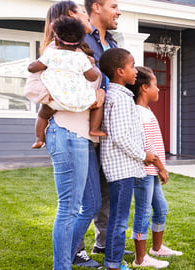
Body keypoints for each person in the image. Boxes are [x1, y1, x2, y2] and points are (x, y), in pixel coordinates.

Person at [28, 1, 105, 269]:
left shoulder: (80, 50)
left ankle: (69, 255)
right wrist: (69, 100)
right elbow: (34, 89)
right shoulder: (54, 51)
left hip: (85, 135)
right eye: (83, 12)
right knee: (69, 208)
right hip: (67, 131)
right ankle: (62, 265)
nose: (87, 16)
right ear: (71, 16)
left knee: (91, 203)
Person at [99, 48, 160, 270]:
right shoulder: (121, 99)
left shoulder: (119, 95)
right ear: (119, 71)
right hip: (121, 168)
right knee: (120, 220)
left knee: (118, 218)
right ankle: (113, 263)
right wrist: (144, 155)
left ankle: (112, 260)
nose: (135, 71)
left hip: (122, 167)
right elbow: (121, 136)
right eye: (132, 66)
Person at [79, 0, 123, 257]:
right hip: (84, 126)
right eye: (114, 5)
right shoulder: (80, 37)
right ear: (97, 6)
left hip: (110, 127)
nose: (118, 11)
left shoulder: (114, 44)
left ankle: (103, 243)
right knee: (86, 193)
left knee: (107, 189)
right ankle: (76, 249)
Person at [126, 66, 182, 267]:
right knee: (143, 212)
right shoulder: (139, 113)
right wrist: (162, 167)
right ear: (143, 88)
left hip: (151, 171)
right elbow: (147, 145)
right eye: (155, 85)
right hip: (144, 171)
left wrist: (159, 168)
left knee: (161, 208)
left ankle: (156, 248)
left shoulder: (145, 110)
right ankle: (140, 259)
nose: (158, 90)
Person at [27, 15, 104, 149]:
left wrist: (40, 63)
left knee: (42, 114)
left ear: (56, 41)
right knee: (98, 102)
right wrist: (92, 65)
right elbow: (92, 77)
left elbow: (32, 68)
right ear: (80, 43)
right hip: (79, 101)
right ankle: (94, 128)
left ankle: (39, 139)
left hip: (55, 100)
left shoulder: (51, 54)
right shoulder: (82, 58)